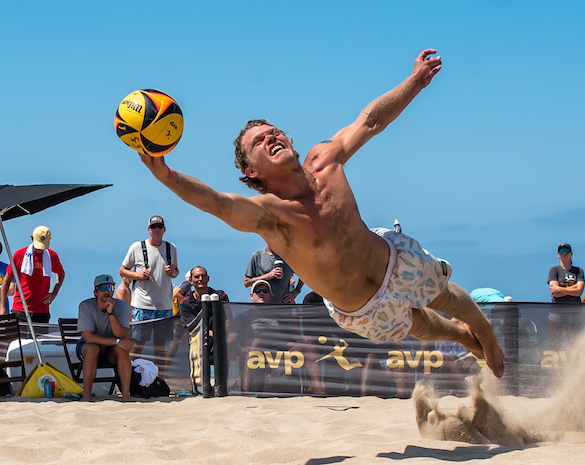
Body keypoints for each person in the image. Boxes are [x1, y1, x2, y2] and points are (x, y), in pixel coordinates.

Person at [137, 49, 504, 378]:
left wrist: (415, 81)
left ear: (289, 140)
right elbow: (217, 203)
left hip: (392, 259)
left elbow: (371, 121)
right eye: (259, 142)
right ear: (251, 171)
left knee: (442, 296)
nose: (271, 137)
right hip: (360, 307)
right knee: (420, 325)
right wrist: (168, 176)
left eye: (274, 132)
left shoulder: (324, 161)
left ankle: (483, 331)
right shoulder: (271, 216)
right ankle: (461, 335)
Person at [119, 215, 179, 370]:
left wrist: (173, 271)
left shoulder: (171, 248)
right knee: (137, 344)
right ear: (148, 230)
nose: (156, 230)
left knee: (161, 347)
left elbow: (175, 272)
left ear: (164, 230)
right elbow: (123, 271)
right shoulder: (137, 247)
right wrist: (139, 275)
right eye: (154, 227)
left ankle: (161, 381)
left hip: (164, 306)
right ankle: (129, 377)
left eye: (159, 227)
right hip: (142, 304)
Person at [77, 275, 134, 401]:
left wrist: (111, 313)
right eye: (103, 288)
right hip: (88, 347)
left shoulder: (123, 306)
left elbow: (122, 335)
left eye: (110, 287)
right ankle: (86, 397)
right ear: (95, 292)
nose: (107, 291)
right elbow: (88, 338)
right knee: (93, 349)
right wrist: (117, 341)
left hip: (111, 349)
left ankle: (126, 396)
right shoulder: (85, 306)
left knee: (122, 349)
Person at [0, 226, 65, 329]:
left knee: (40, 343)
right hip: (20, 309)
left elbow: (61, 273)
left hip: (42, 310)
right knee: (18, 343)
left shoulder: (51, 255)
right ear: (32, 238)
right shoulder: (19, 255)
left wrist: (54, 293)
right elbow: (6, 281)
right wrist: (2, 306)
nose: (40, 249)